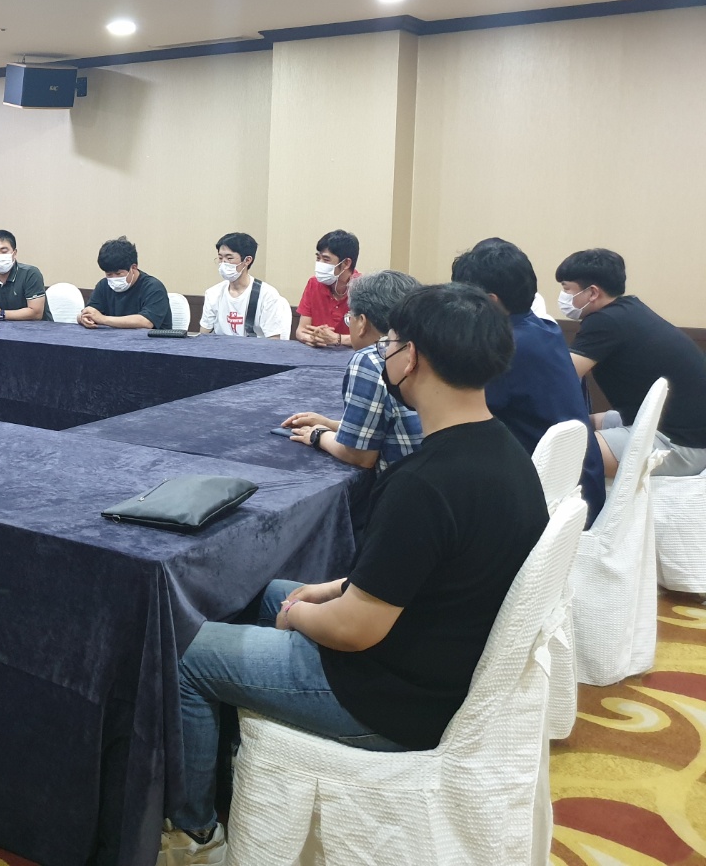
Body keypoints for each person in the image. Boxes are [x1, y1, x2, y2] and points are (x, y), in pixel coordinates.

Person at [163, 284, 547, 863]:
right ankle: (233, 774)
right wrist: (327, 590)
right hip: (440, 657)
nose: (385, 353)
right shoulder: (504, 451)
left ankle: (195, 834)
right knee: (268, 592)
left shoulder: (424, 484)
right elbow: (428, 574)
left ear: (411, 358)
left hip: (390, 698)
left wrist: (301, 616)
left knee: (189, 652)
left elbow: (354, 630)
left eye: (390, 342)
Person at [452, 238, 607, 522]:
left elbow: (461, 412)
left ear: (490, 301)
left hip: (551, 503)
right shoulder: (545, 328)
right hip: (582, 487)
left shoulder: (504, 348)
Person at [556, 248, 706, 479]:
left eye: (567, 289)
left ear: (592, 292)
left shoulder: (605, 322)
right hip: (674, 428)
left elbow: (559, 377)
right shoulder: (628, 309)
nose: (563, 297)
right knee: (580, 424)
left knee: (559, 450)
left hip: (681, 446)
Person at [282, 270, 423, 470]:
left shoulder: (369, 359)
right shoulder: (421, 349)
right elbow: (387, 427)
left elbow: (359, 455)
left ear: (362, 322)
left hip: (401, 481)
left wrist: (319, 435)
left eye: (350, 318)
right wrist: (330, 424)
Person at [199, 232, 292, 340]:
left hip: (256, 349)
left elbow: (274, 340)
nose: (223, 263)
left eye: (229, 258)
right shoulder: (213, 293)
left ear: (247, 260)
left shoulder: (267, 295)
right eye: (220, 258)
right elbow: (203, 336)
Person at [78, 236, 171, 330]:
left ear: (133, 268)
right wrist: (83, 318)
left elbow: (146, 322)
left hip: (150, 339)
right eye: (109, 274)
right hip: (112, 338)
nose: (114, 278)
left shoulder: (153, 287)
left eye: (118, 274)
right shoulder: (103, 285)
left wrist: (102, 319)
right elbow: (90, 312)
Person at [296, 230, 360, 347]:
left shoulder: (365, 289)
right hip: (317, 352)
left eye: (326, 259)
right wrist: (313, 338)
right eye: (318, 258)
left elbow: (371, 339)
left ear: (346, 263)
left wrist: (337, 339)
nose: (320, 264)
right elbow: (301, 330)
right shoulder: (313, 283)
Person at [0, 230, 49, 321]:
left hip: (36, 328)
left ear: (14, 253)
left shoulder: (30, 274)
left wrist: (1, 314)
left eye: (4, 251)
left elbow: (36, 313)